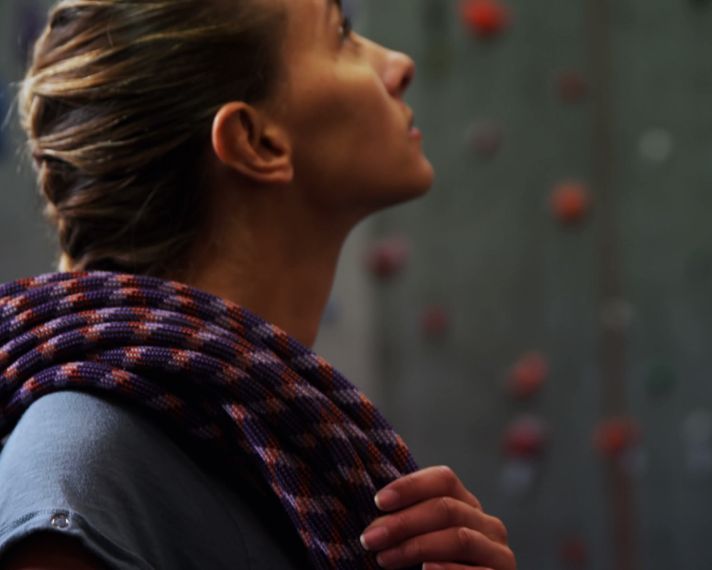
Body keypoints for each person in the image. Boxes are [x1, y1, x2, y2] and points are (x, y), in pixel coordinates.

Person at [0, 0, 516, 569]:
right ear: (256, 141)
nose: (398, 64)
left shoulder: (261, 451)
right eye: (341, 34)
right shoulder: (86, 476)